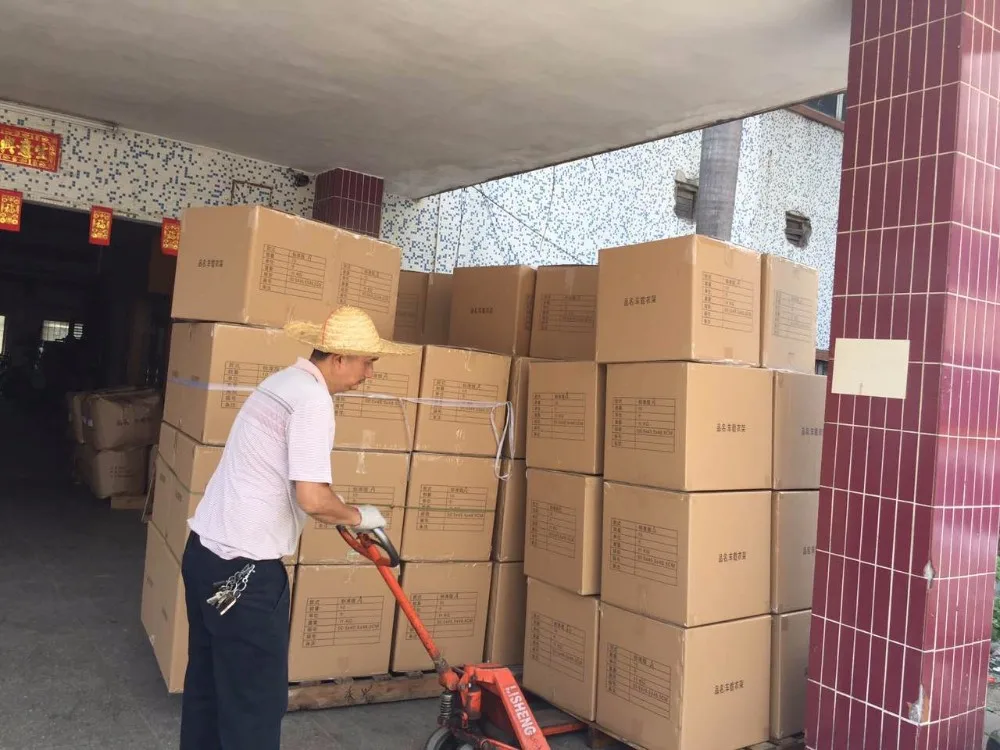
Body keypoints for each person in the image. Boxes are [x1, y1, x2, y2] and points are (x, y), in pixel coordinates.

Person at [179, 305, 415, 750]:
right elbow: (312, 498)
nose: (369, 374)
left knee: (208, 688)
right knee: (255, 704)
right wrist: (358, 516)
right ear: (339, 358)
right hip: (245, 573)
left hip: (204, 554)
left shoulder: (279, 383)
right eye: (367, 362)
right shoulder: (312, 401)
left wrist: (340, 510)